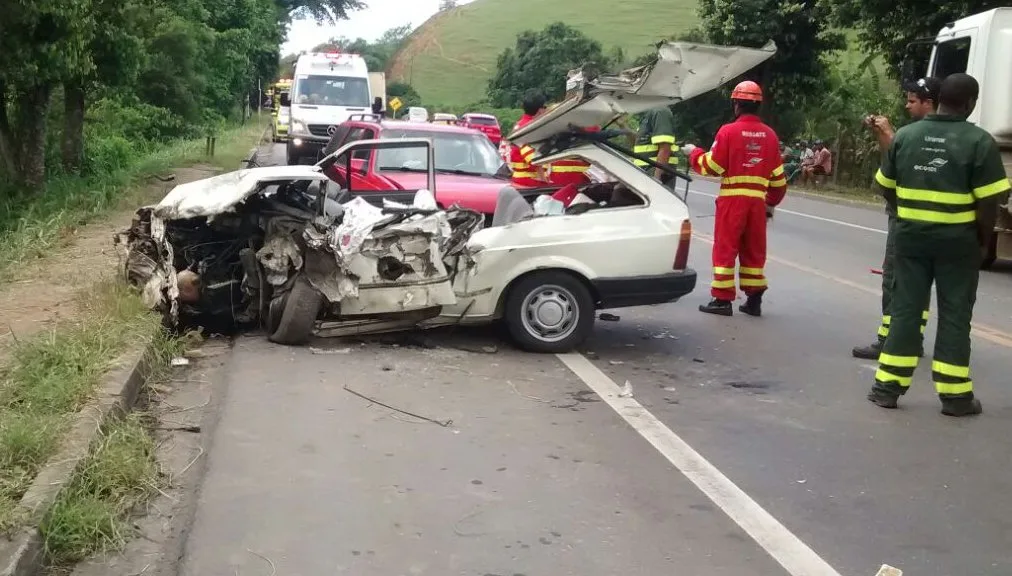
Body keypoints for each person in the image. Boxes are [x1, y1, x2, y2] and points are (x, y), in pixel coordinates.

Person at [867, 73, 1010, 417]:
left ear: (939, 99)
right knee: (955, 315)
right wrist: (982, 241)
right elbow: (991, 201)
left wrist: (907, 213)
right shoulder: (979, 141)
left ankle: (886, 389)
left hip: (911, 239)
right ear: (970, 103)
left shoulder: (906, 135)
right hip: (957, 243)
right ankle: (955, 397)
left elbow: (884, 184)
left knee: (905, 310)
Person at [852, 76, 942, 360]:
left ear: (929, 103)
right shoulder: (950, 135)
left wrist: (889, 133)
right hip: (935, 223)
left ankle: (890, 339)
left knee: (895, 279)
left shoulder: (915, 136)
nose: (907, 106)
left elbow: (896, 167)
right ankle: (913, 337)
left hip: (907, 218)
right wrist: (883, 135)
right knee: (920, 282)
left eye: (912, 101)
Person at [681, 80, 788, 317]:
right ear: (758, 106)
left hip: (732, 200)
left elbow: (712, 166)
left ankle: (722, 300)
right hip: (758, 203)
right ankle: (754, 298)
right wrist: (770, 203)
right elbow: (779, 182)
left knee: (725, 248)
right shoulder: (770, 136)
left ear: (736, 105)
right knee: (754, 250)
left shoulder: (728, 131)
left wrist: (694, 153)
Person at [509, 90, 550, 188]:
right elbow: (533, 159)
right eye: (545, 107)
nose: (546, 110)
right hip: (530, 180)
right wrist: (544, 180)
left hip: (519, 178)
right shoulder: (531, 129)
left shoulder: (520, 125)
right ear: (540, 110)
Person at [634, 106, 679, 184]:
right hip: (644, 171)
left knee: (620, 192)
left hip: (654, 171)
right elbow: (640, 145)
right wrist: (623, 126)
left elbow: (665, 148)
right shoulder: (648, 113)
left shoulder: (660, 111)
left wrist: (657, 179)